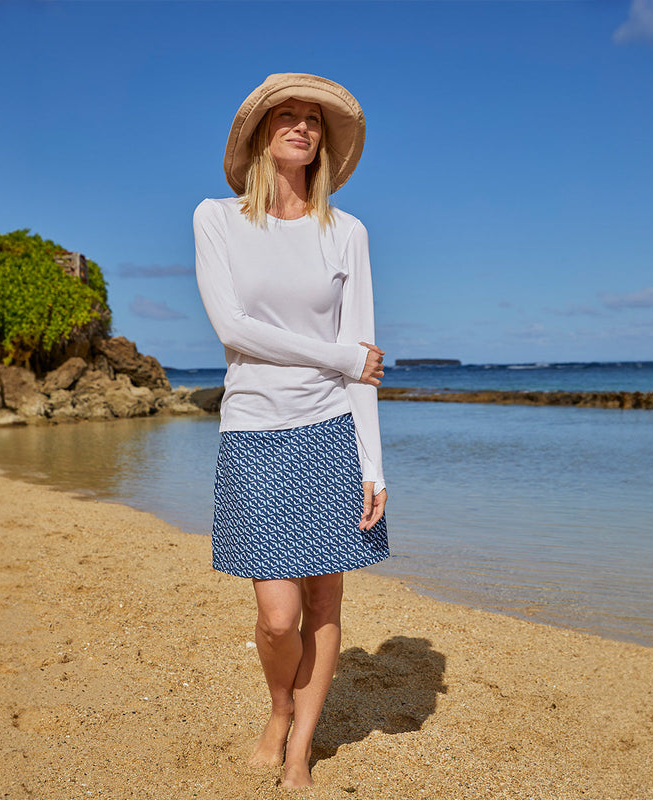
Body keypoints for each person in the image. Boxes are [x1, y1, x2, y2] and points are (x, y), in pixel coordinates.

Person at [193, 73, 389, 789]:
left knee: (324, 604)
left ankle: (301, 745)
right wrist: (340, 355)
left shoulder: (348, 233)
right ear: (260, 133)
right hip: (252, 432)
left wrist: (374, 465)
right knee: (277, 619)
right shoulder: (216, 219)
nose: (302, 127)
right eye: (288, 116)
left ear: (324, 143)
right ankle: (279, 707)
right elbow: (234, 329)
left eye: (313, 120)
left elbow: (361, 366)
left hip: (331, 430)